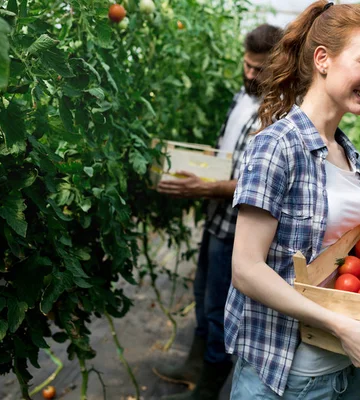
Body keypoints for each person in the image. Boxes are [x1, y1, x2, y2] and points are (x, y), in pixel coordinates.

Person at [226, 2, 360, 399]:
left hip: (344, 368)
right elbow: (246, 269)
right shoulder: (276, 146)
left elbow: (357, 258)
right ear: (323, 59)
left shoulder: (346, 152)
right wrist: (342, 326)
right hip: (285, 377)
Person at [154, 23, 283, 400]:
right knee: (202, 295)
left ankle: (208, 389)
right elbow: (225, 157)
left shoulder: (276, 114)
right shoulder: (241, 98)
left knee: (219, 311)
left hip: (239, 229)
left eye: (260, 70)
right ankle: (195, 367)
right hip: (216, 219)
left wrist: (204, 187)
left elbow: (253, 186)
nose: (250, 75)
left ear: (278, 66)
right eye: (247, 65)